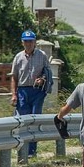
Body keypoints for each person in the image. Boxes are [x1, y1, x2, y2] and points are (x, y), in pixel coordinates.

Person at [10, 29, 52, 157]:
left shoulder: (42, 55)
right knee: (23, 121)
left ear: (35, 42)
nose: (28, 44)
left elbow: (48, 72)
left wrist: (43, 79)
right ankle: (22, 150)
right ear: (22, 42)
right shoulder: (18, 57)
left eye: (31, 41)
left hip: (37, 91)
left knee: (35, 120)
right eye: (26, 41)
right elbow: (14, 77)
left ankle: (32, 151)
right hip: (22, 90)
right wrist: (13, 94)